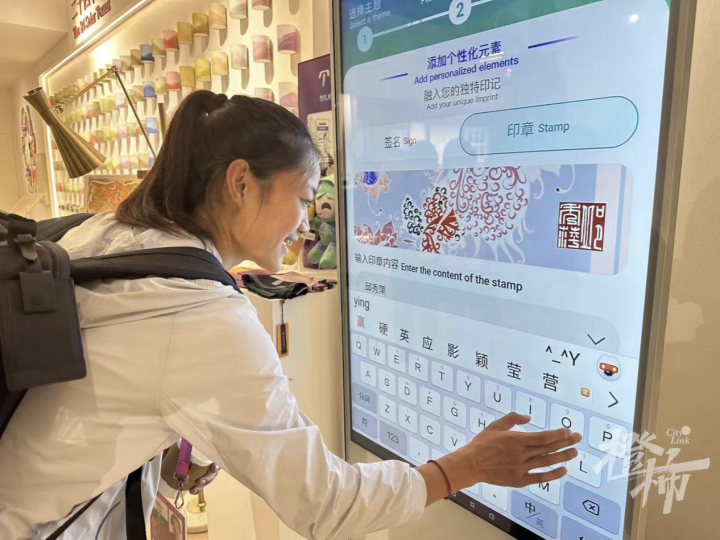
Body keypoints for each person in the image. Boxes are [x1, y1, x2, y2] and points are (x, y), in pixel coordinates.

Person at [0, 91, 581, 540]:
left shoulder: (100, 233)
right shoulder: (199, 315)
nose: (306, 223)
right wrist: (463, 468)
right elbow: (326, 504)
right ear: (240, 182)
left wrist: (155, 464)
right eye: (303, 198)